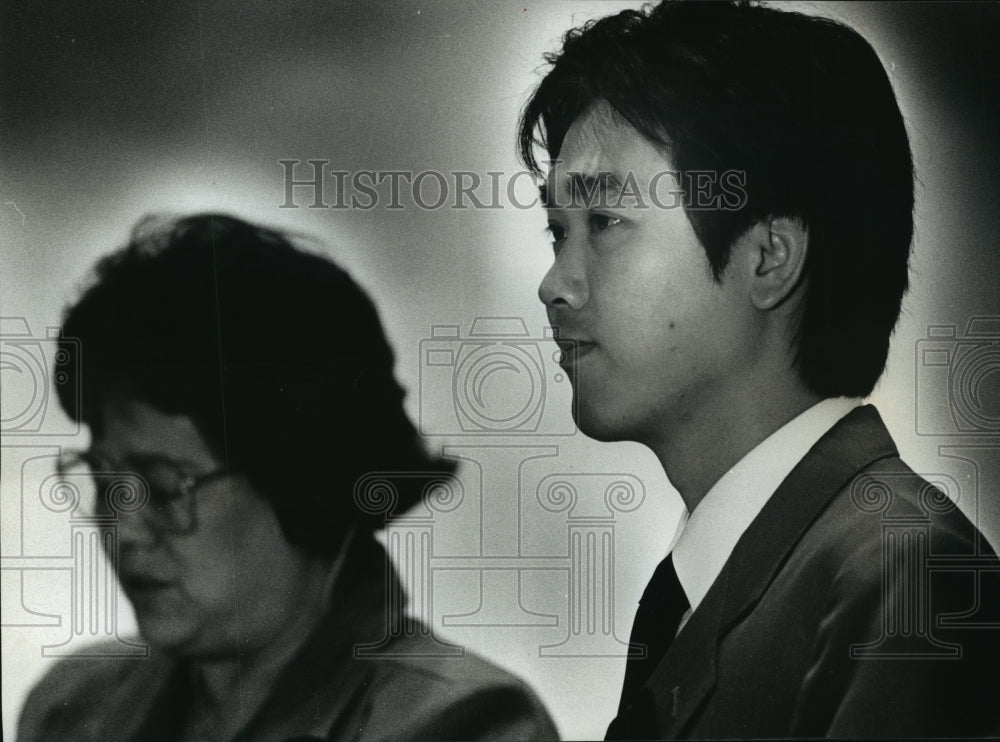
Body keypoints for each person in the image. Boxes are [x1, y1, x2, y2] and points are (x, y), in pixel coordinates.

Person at [518, 1, 1000, 738]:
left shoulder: (905, 580)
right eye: (558, 232)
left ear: (769, 257)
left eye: (605, 224)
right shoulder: (732, 578)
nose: (556, 284)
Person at [16, 214, 557, 742]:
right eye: (109, 483)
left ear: (303, 478)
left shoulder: (464, 725)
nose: (124, 530)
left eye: (162, 487)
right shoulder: (71, 709)